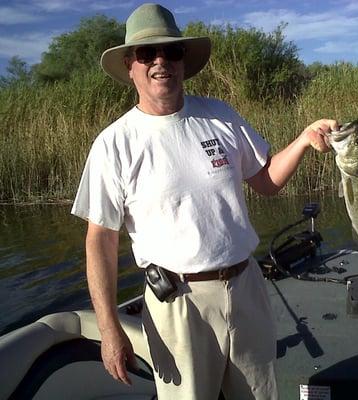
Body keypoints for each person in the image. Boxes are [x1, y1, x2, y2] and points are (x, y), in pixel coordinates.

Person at [71, 3, 337, 400]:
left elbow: (266, 182)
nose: (161, 62)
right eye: (147, 54)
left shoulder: (219, 116)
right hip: (178, 305)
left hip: (246, 285)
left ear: (183, 60)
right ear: (130, 65)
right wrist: (109, 328)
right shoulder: (114, 143)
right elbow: (100, 240)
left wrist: (301, 139)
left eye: (171, 51)